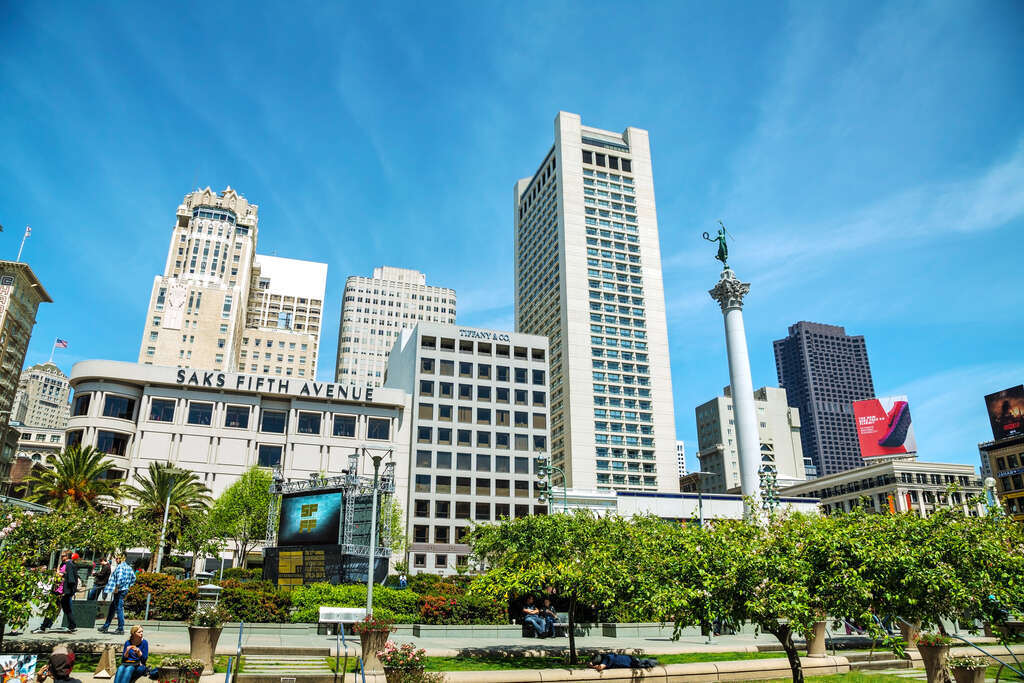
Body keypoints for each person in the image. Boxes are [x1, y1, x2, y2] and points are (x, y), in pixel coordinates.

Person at [34, 552, 78, 634]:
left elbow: (70, 578)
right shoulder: (64, 564)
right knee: (66, 609)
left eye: (63, 556)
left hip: (62, 592)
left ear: (67, 556)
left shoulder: (69, 564)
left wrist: (58, 573)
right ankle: (72, 626)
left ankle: (44, 627)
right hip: (60, 590)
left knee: (52, 608)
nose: (61, 557)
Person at [98, 554, 136, 635]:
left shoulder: (120, 567)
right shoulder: (129, 567)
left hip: (119, 590)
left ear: (122, 558)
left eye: (118, 558)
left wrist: (117, 588)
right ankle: (106, 626)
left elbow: (119, 578)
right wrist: (128, 585)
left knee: (119, 608)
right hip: (124, 589)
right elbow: (134, 578)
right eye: (116, 558)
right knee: (112, 607)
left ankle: (120, 628)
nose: (116, 560)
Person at [588, 653, 658, 671]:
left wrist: (591, 666)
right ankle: (653, 660)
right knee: (643, 662)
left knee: (647, 663)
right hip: (630, 659)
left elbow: (600, 667)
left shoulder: (607, 658)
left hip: (631, 662)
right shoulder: (607, 656)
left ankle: (655, 661)